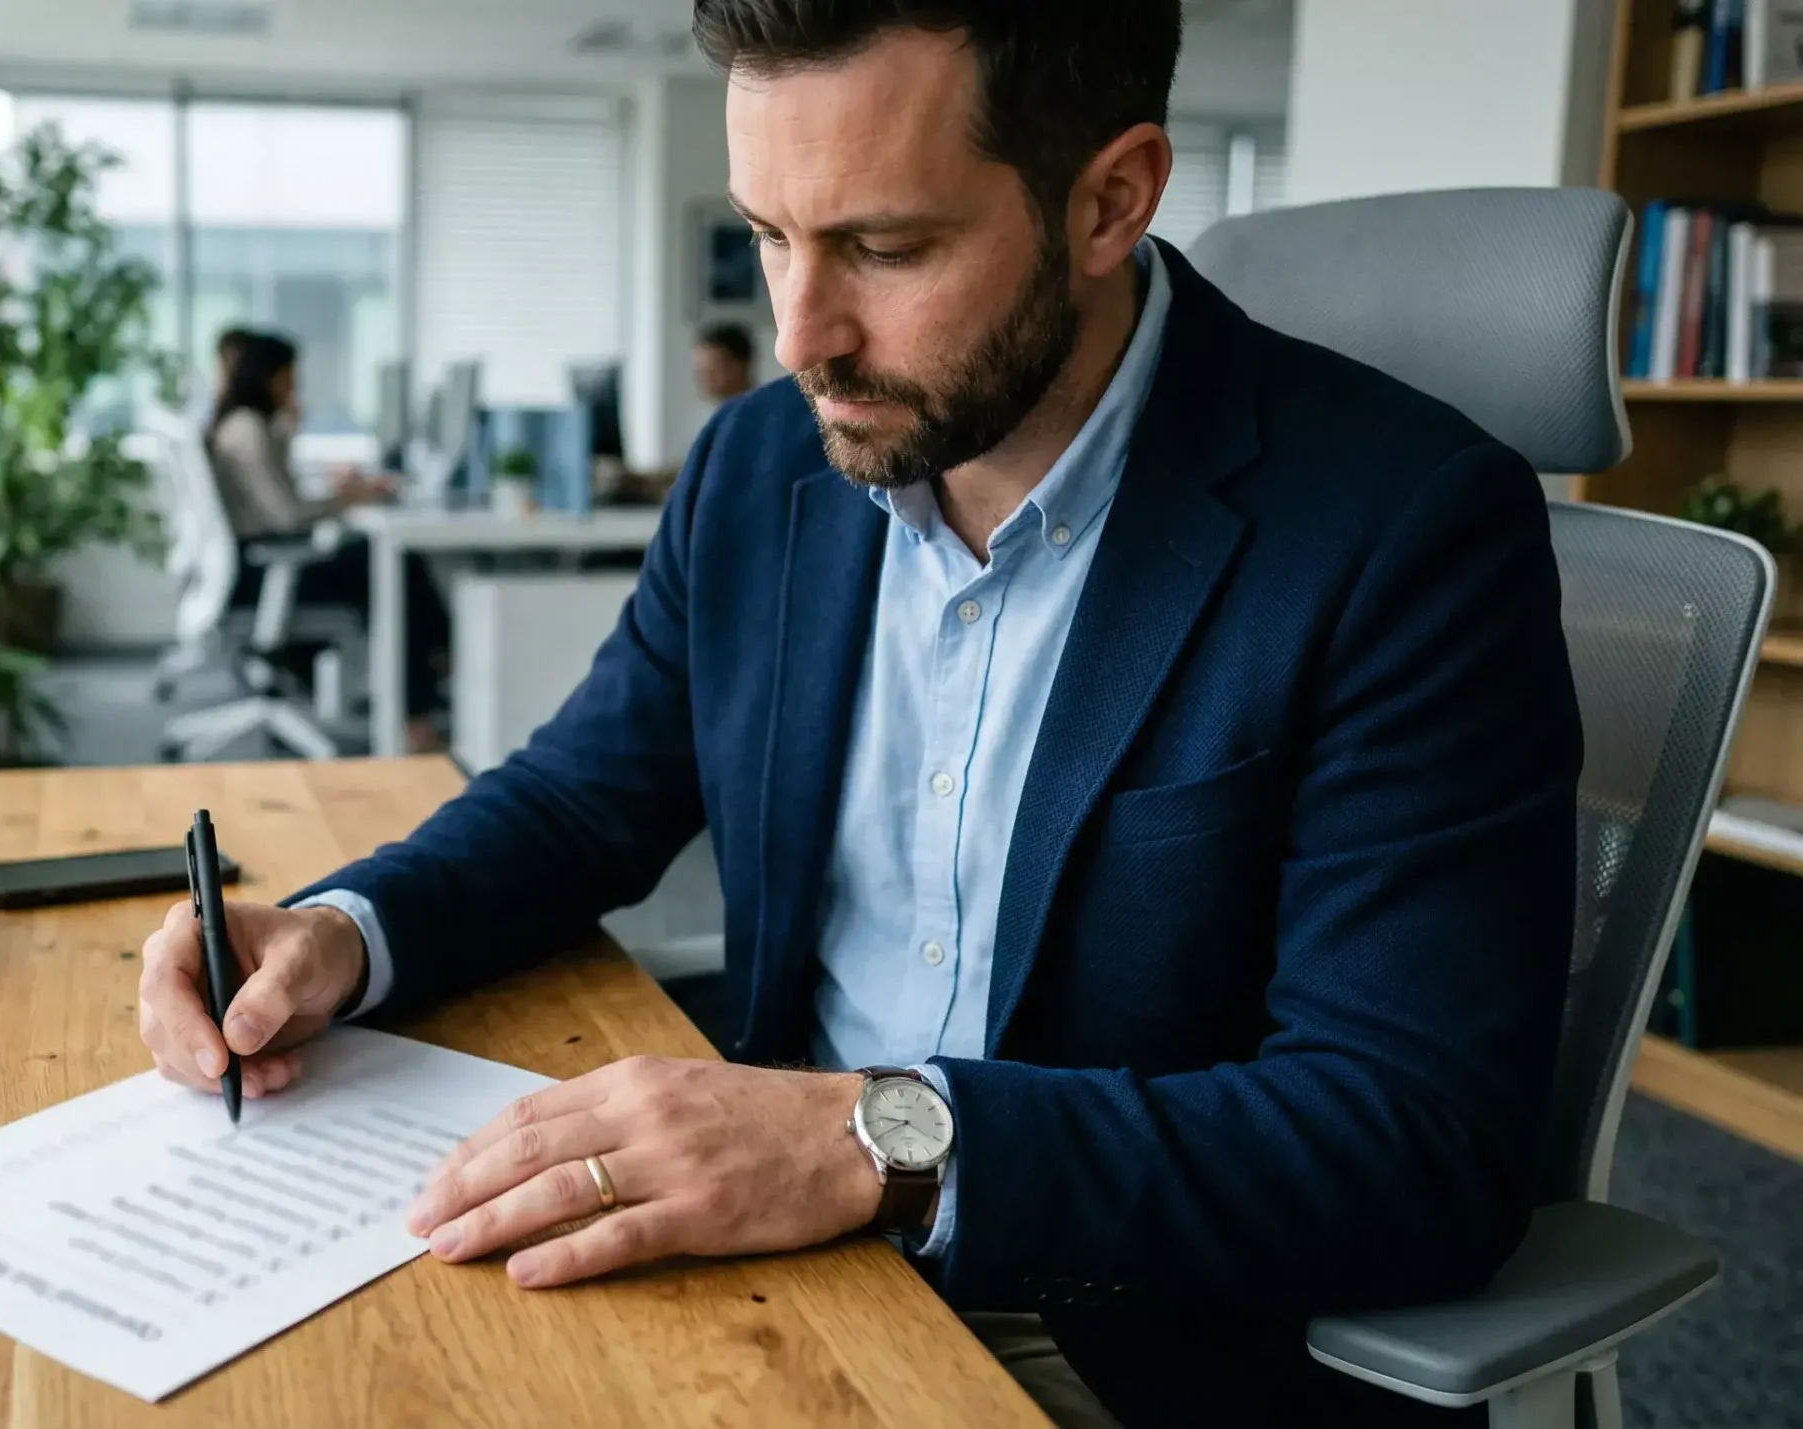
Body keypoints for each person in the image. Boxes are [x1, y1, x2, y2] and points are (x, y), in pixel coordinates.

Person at [140, 5, 1579, 1425]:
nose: (799, 333)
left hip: (1117, 1327)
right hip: (772, 1256)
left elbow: (1415, 1141)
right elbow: (585, 796)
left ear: (1111, 200)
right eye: (770, 233)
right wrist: (340, 932)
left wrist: (869, 1140)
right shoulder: (762, 468)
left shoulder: (1404, 531)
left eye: (884, 248)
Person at [206, 332, 452, 740]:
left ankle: (427, 680)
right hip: (264, 573)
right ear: (268, 377)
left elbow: (279, 498)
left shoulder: (246, 425)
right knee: (388, 568)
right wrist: (349, 498)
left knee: (378, 562)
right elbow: (287, 515)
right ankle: (422, 699)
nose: (294, 387)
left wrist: (293, 437)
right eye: (289, 377)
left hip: (259, 565)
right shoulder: (248, 428)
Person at [693, 322, 758, 405]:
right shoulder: (714, 415)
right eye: (701, 370)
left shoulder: (766, 412)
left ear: (738, 367)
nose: (705, 378)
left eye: (713, 370)